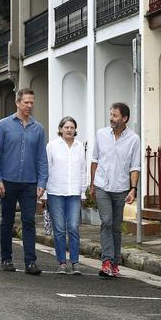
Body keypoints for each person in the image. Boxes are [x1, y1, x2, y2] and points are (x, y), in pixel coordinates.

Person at [0, 88, 48, 275]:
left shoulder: (38, 128)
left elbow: (42, 158)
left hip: (30, 183)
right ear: (17, 103)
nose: (29, 106)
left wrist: (42, 182)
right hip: (7, 181)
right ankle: (6, 259)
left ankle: (30, 262)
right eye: (26, 102)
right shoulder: (4, 125)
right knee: (7, 221)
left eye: (32, 102)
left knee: (29, 221)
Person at [89, 102, 140, 278]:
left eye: (115, 115)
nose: (111, 118)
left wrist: (133, 189)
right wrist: (92, 184)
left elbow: (135, 167)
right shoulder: (101, 134)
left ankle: (115, 263)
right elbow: (95, 160)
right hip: (102, 185)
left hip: (121, 188)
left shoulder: (134, 139)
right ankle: (106, 261)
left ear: (124, 118)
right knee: (107, 221)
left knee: (116, 227)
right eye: (111, 115)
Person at [46, 116, 86, 275]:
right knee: (60, 229)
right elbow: (46, 168)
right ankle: (62, 262)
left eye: (72, 127)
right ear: (60, 129)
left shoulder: (79, 146)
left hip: (74, 193)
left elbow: (83, 170)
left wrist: (83, 192)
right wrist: (44, 195)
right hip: (55, 192)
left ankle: (75, 262)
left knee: (74, 228)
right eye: (66, 127)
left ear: (75, 129)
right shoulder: (52, 146)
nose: (69, 130)